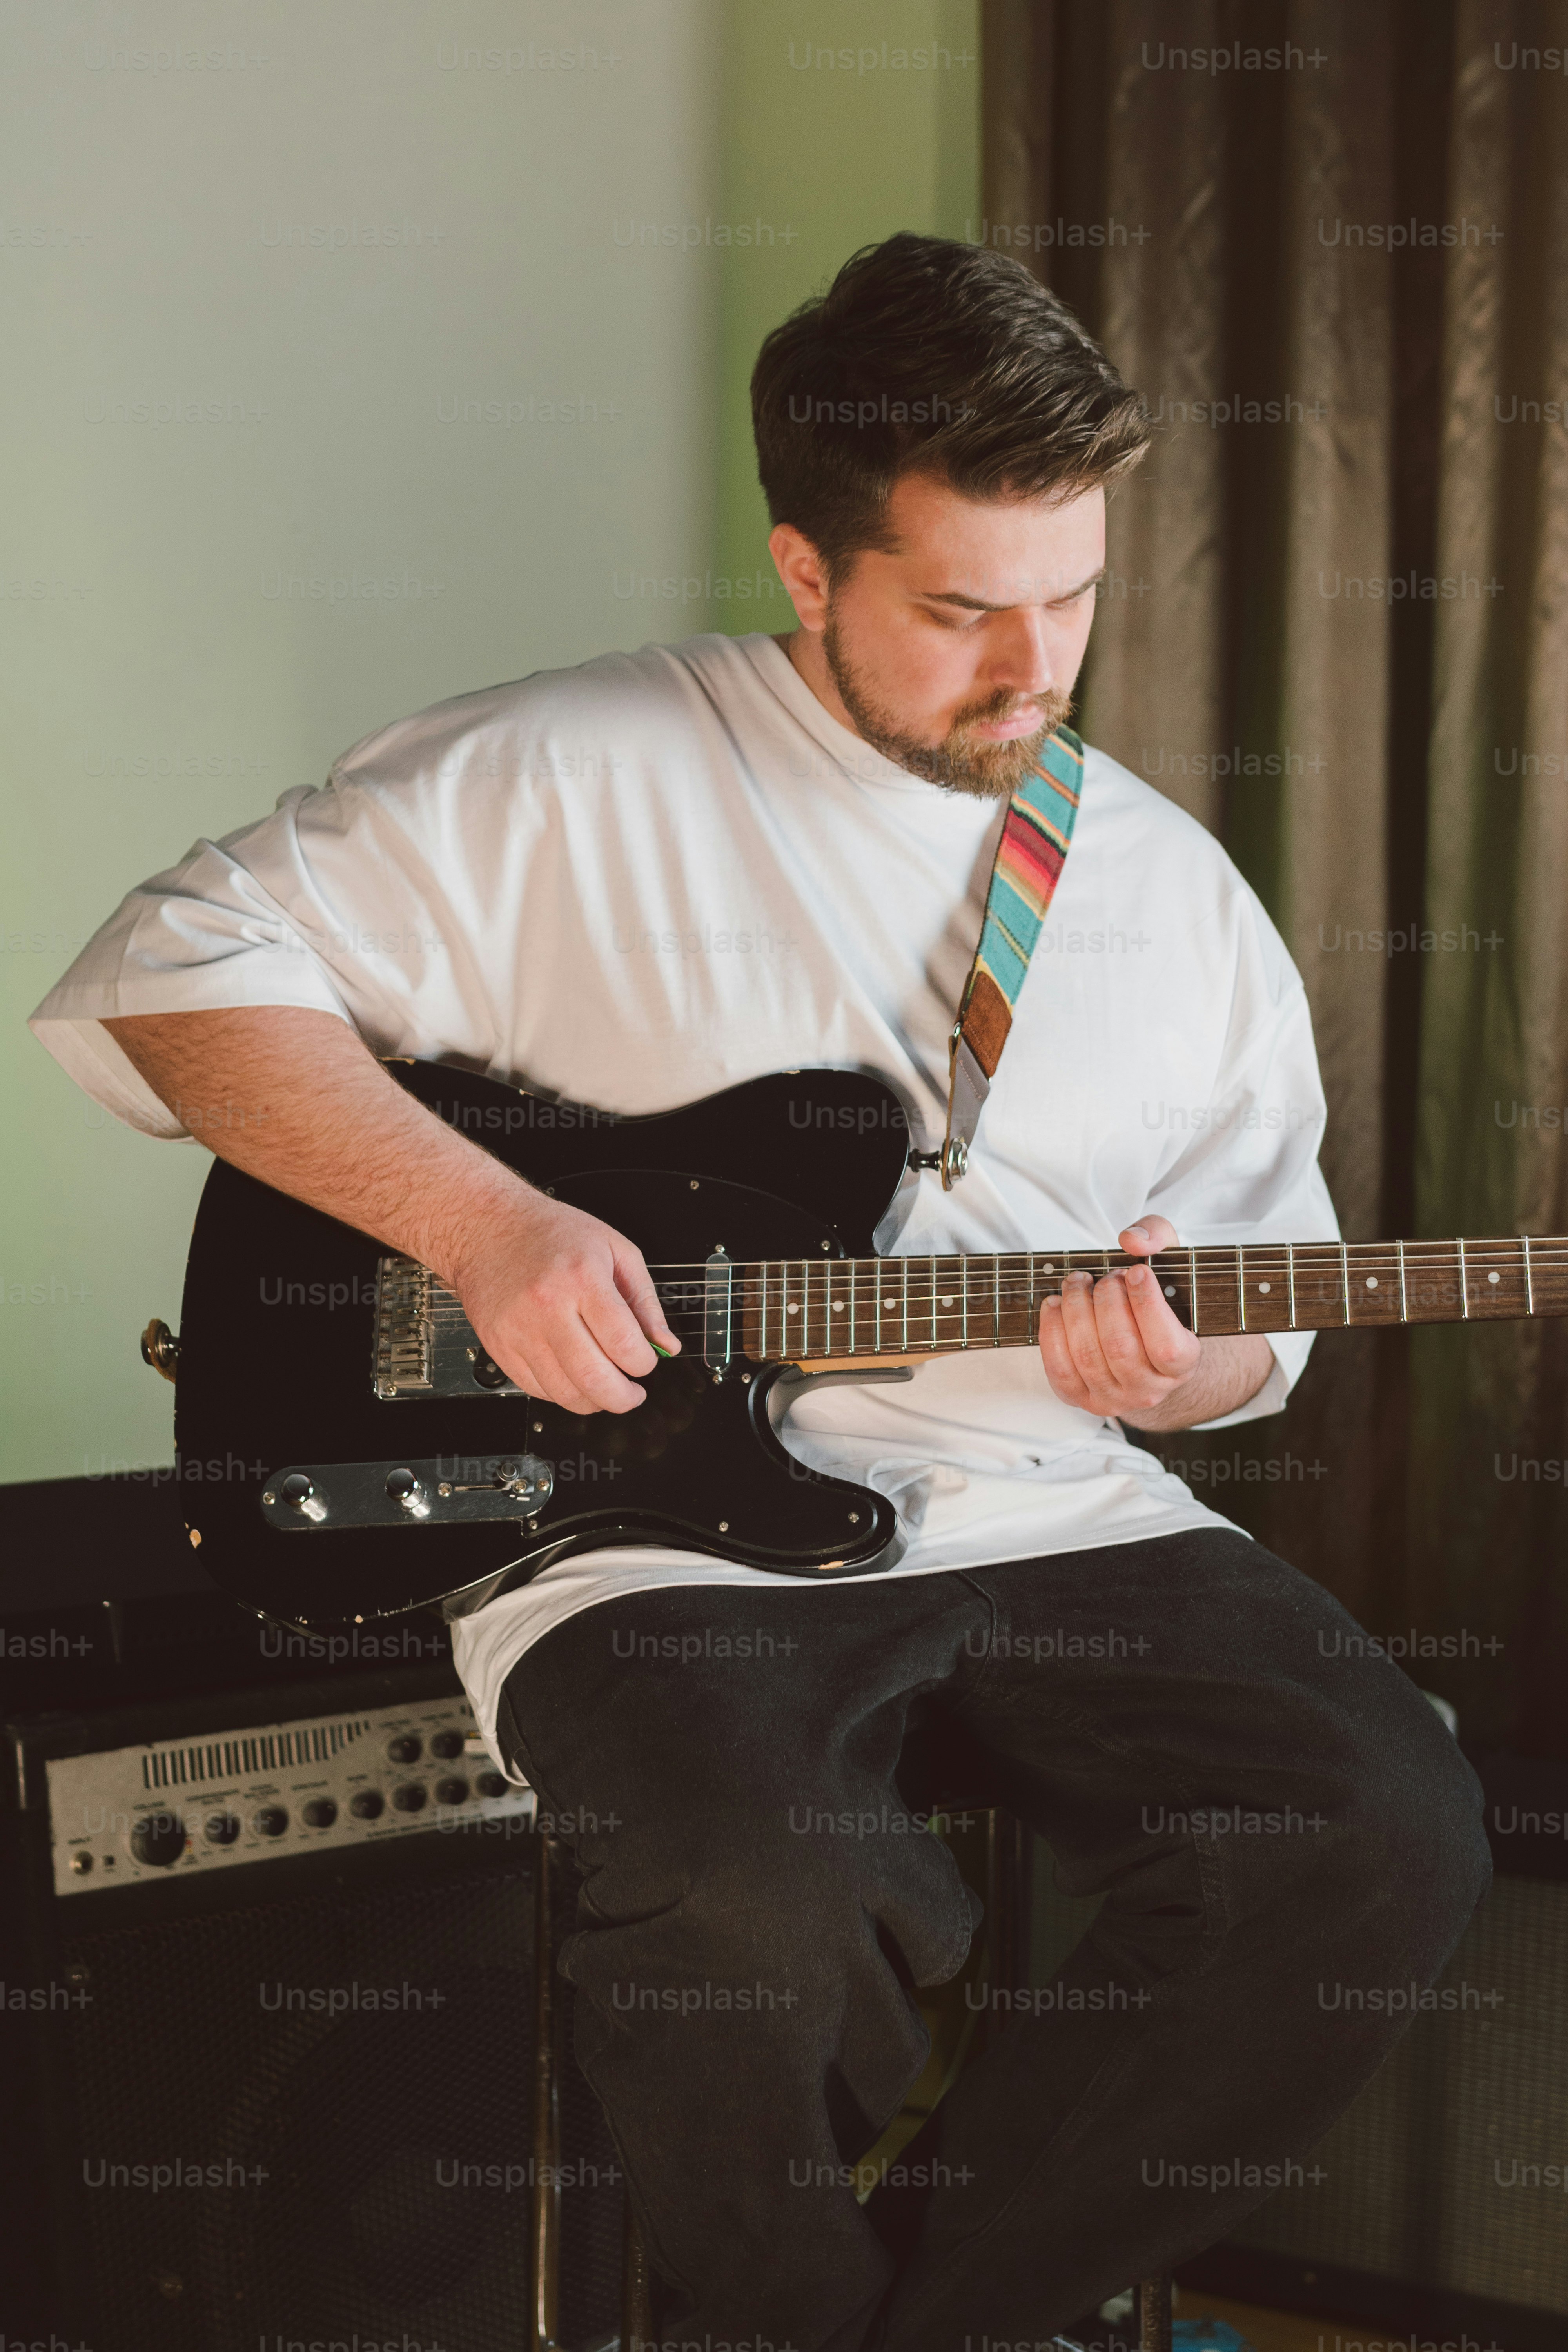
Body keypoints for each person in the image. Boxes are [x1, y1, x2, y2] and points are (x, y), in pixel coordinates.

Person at [31, 233, 1488, 2352]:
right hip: (648, 1539)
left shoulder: (1166, 886)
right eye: (964, 609)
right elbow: (170, 987)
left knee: (1381, 1822)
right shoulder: (555, 774)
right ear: (807, 569)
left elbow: (1252, 1270)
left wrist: (1178, 1370)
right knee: (762, 1896)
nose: (1037, 665)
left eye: (1074, 593)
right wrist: (482, 1225)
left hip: (1057, 1505)